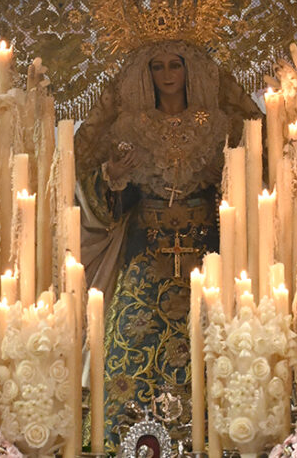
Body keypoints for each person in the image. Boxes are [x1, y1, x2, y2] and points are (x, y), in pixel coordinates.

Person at [75, 40, 259, 450]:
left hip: (208, 254)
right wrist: (113, 177)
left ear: (191, 71)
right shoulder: (128, 128)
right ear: (147, 75)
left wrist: (226, 177)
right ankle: (125, 441)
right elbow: (114, 207)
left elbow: (254, 193)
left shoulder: (222, 126)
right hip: (146, 257)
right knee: (129, 343)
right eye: (157, 67)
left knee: (218, 347)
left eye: (175, 64)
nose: (167, 74)